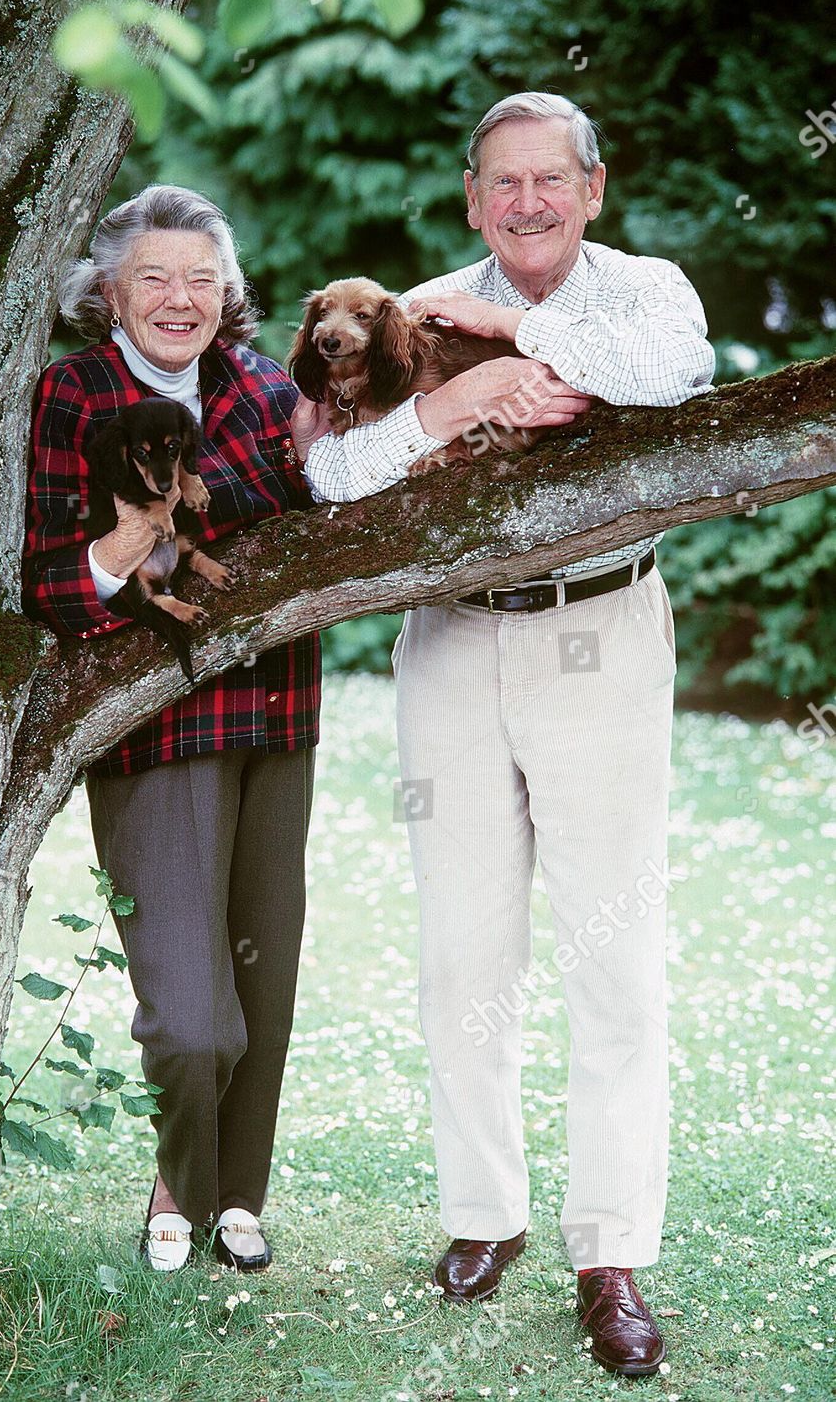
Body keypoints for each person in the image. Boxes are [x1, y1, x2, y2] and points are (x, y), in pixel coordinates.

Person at [293, 92, 715, 1378]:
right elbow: (325, 475)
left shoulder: (648, 293)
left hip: (605, 638)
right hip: (455, 642)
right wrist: (451, 397)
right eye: (502, 184)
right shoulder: (412, 313)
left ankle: (610, 1250)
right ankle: (485, 1216)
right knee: (463, 956)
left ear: (594, 189)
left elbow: (672, 380)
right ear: (474, 199)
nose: (527, 204)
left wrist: (527, 333)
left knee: (614, 955)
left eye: (551, 180)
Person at [22, 184, 319, 1273]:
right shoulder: (72, 393)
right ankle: (179, 1177)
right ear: (111, 290)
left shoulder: (267, 382)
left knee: (263, 979)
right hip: (154, 719)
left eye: (203, 279)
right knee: (196, 1021)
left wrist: (170, 506)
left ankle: (234, 1196)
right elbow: (50, 580)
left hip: (278, 703)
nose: (181, 299)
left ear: (228, 294)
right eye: (156, 277)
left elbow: (305, 478)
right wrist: (126, 544)